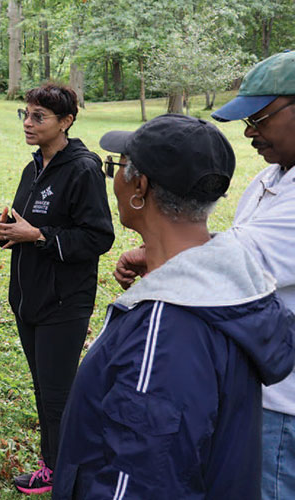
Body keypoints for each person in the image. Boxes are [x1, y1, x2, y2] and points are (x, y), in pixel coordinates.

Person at [53, 114, 295, 500]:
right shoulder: (231, 294)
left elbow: (137, 480)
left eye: (115, 167)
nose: (112, 177)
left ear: (140, 186)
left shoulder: (164, 333)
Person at [114, 51, 295, 500]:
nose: (251, 133)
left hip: (285, 404)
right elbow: (230, 247)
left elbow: (240, 260)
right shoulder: (271, 179)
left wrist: (156, 251)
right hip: (256, 388)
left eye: (261, 118)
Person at [0, 83, 114, 495]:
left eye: (39, 117)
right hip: (29, 301)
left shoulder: (83, 169)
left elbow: (98, 237)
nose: (27, 122)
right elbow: (30, 224)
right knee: (44, 389)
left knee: (58, 396)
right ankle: (57, 463)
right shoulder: (33, 166)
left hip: (63, 304)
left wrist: (37, 235)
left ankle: (62, 473)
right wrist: (10, 231)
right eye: (26, 113)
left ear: (67, 121)